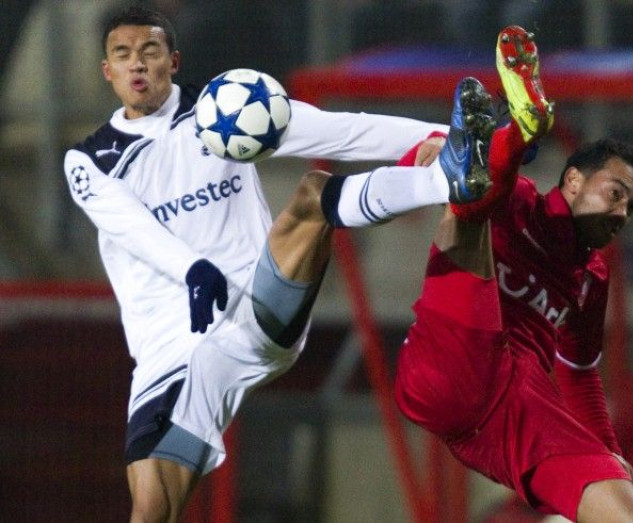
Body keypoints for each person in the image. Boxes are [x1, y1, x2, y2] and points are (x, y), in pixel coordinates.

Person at [62, 6, 496, 522]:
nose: (138, 65)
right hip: (169, 358)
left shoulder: (226, 111)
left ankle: (447, 178)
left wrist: (443, 135)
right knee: (151, 508)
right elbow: (130, 224)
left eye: (150, 52)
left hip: (253, 310)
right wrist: (193, 270)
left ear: (173, 61)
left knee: (313, 195)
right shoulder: (89, 161)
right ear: (107, 71)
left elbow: (340, 131)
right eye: (123, 55)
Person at [394, 26, 633, 522]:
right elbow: (409, 175)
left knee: (630, 514)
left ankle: (513, 133)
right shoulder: (517, 201)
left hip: (516, 412)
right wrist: (424, 157)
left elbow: (578, 373)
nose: (623, 213)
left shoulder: (591, 278)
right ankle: (519, 131)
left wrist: (609, 455)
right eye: (616, 193)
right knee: (474, 202)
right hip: (448, 365)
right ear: (573, 180)